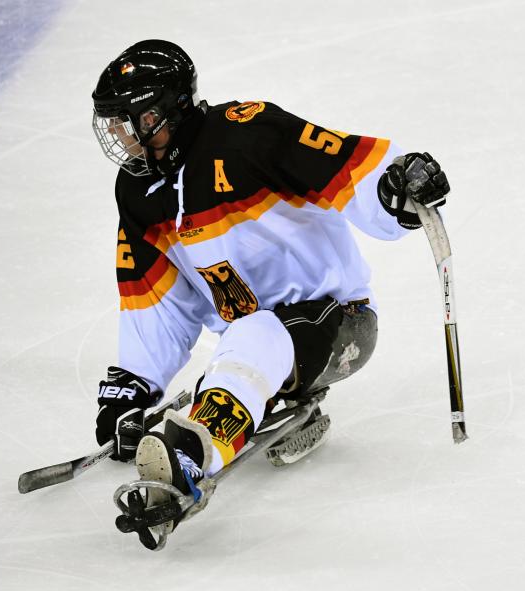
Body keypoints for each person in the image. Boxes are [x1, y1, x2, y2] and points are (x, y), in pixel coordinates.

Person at [90, 39, 450, 549]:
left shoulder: (248, 132)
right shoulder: (137, 191)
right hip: (253, 338)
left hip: (340, 325)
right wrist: (136, 381)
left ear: (162, 112)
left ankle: (194, 450)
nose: (120, 138)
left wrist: (394, 188)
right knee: (254, 332)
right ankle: (237, 396)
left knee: (261, 330)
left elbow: (342, 164)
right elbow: (159, 297)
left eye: (129, 121)